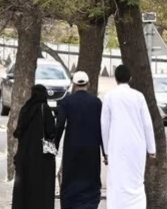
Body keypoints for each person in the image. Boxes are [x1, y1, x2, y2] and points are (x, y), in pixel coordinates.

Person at [101, 64, 156, 209]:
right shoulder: (138, 97)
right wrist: (151, 149)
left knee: (116, 182)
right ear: (130, 78)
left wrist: (106, 151)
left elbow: (104, 126)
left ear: (115, 78)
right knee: (136, 181)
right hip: (137, 146)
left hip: (116, 146)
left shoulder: (109, 97)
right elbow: (147, 124)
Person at [54, 71, 104, 209]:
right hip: (92, 148)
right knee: (91, 178)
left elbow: (59, 126)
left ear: (74, 85)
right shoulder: (97, 102)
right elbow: (102, 128)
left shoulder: (67, 102)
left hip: (72, 147)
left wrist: (54, 147)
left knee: (71, 179)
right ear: (88, 84)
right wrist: (105, 152)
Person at [12, 84, 56, 209]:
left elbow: (18, 131)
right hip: (41, 157)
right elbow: (51, 131)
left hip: (25, 156)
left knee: (24, 187)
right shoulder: (45, 109)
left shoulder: (25, 109)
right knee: (41, 188)